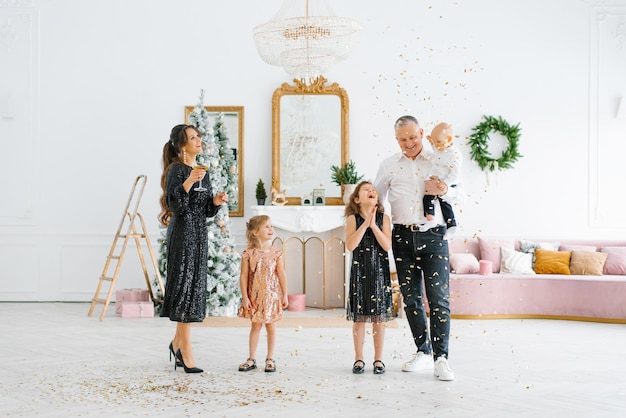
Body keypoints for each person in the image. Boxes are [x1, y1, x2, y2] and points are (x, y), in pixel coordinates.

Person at [373, 115, 457, 381]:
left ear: (422, 132)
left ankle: (441, 358)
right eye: (402, 139)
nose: (408, 143)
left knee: (439, 300)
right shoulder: (388, 165)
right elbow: (377, 201)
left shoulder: (438, 158)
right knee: (410, 299)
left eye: (412, 137)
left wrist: (444, 189)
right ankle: (423, 350)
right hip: (401, 239)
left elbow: (460, 189)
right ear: (396, 139)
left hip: (435, 237)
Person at [158, 124, 229, 374]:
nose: (199, 140)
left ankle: (177, 344)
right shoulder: (176, 170)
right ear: (181, 145)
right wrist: (188, 181)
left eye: (199, 136)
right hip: (182, 236)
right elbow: (175, 204)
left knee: (193, 288)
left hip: (199, 236)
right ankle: (186, 351)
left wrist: (215, 202)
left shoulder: (203, 172)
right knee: (184, 288)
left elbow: (204, 210)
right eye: (192, 137)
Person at [344, 181, 394, 375]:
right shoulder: (352, 219)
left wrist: (374, 226)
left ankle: (378, 359)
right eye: (366, 190)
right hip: (359, 272)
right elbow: (350, 245)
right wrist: (365, 224)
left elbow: (387, 245)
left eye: (373, 189)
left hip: (379, 273)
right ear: (357, 199)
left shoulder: (384, 219)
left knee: (378, 319)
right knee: (359, 319)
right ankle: (359, 358)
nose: (371, 191)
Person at [237, 215, 289, 373]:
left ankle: (270, 358)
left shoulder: (276, 253)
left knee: (271, 327)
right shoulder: (248, 254)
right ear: (255, 232)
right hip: (255, 297)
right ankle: (252, 358)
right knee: (255, 327)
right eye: (267, 226)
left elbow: (281, 274)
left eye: (271, 226)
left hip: (272, 297)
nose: (271, 229)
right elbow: (243, 276)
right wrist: (245, 297)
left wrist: (285, 295)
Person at [420, 122, 462, 238]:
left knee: (445, 203)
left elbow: (455, 175)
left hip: (447, 182)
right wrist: (432, 143)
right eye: (436, 142)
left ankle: (451, 225)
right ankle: (430, 220)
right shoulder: (441, 148)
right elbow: (437, 152)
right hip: (436, 179)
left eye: (438, 142)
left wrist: (446, 184)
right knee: (427, 198)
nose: (437, 145)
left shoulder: (455, 155)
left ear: (448, 139)